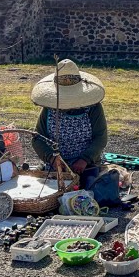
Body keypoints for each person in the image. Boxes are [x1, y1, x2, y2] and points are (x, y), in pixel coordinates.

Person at [30, 59, 107, 187]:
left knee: (90, 190)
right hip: (56, 166)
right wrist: (52, 158)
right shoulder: (49, 109)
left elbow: (101, 137)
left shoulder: (93, 108)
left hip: (86, 165)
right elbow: (37, 139)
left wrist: (85, 159)